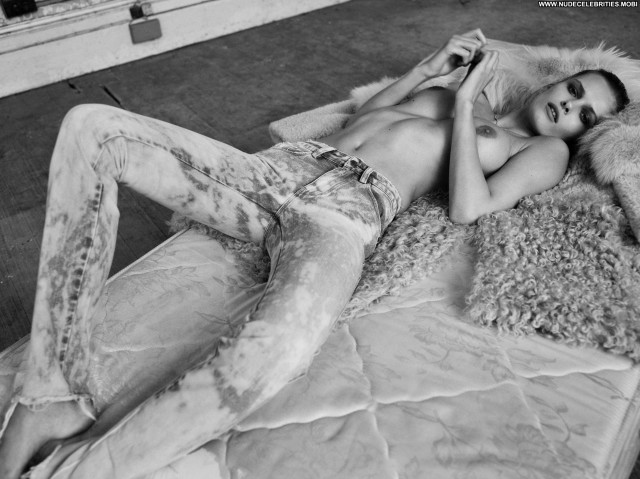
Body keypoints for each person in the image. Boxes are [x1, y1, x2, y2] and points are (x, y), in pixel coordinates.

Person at [0, 29, 629, 479]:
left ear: (584, 131)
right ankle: (49, 394)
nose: (569, 105)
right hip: (278, 172)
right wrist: (429, 69)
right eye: (574, 89)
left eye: (584, 114)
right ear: (558, 78)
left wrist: (464, 110)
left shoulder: (541, 152)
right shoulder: (469, 90)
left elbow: (469, 205)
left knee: (285, 344)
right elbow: (364, 118)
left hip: (348, 211)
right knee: (93, 127)